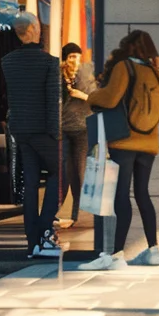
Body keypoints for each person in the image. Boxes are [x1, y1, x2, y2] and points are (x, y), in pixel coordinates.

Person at [80, 30, 159, 269]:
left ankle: (115, 256)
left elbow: (110, 99)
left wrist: (92, 97)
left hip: (124, 141)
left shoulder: (125, 67)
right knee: (142, 194)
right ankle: (153, 250)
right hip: (149, 144)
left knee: (120, 194)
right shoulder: (156, 75)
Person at [0, 12, 63, 259]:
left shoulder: (7, 61)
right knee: (61, 172)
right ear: (35, 29)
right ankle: (45, 231)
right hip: (42, 130)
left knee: (31, 183)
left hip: (20, 130)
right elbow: (52, 103)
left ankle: (32, 242)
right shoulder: (49, 63)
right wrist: (56, 135)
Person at [59, 42, 96, 231]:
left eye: (77, 56)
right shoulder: (59, 75)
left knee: (80, 173)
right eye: (71, 56)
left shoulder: (86, 74)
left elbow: (95, 98)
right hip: (63, 128)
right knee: (65, 172)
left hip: (82, 128)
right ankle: (61, 213)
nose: (75, 60)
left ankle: (78, 216)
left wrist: (80, 94)